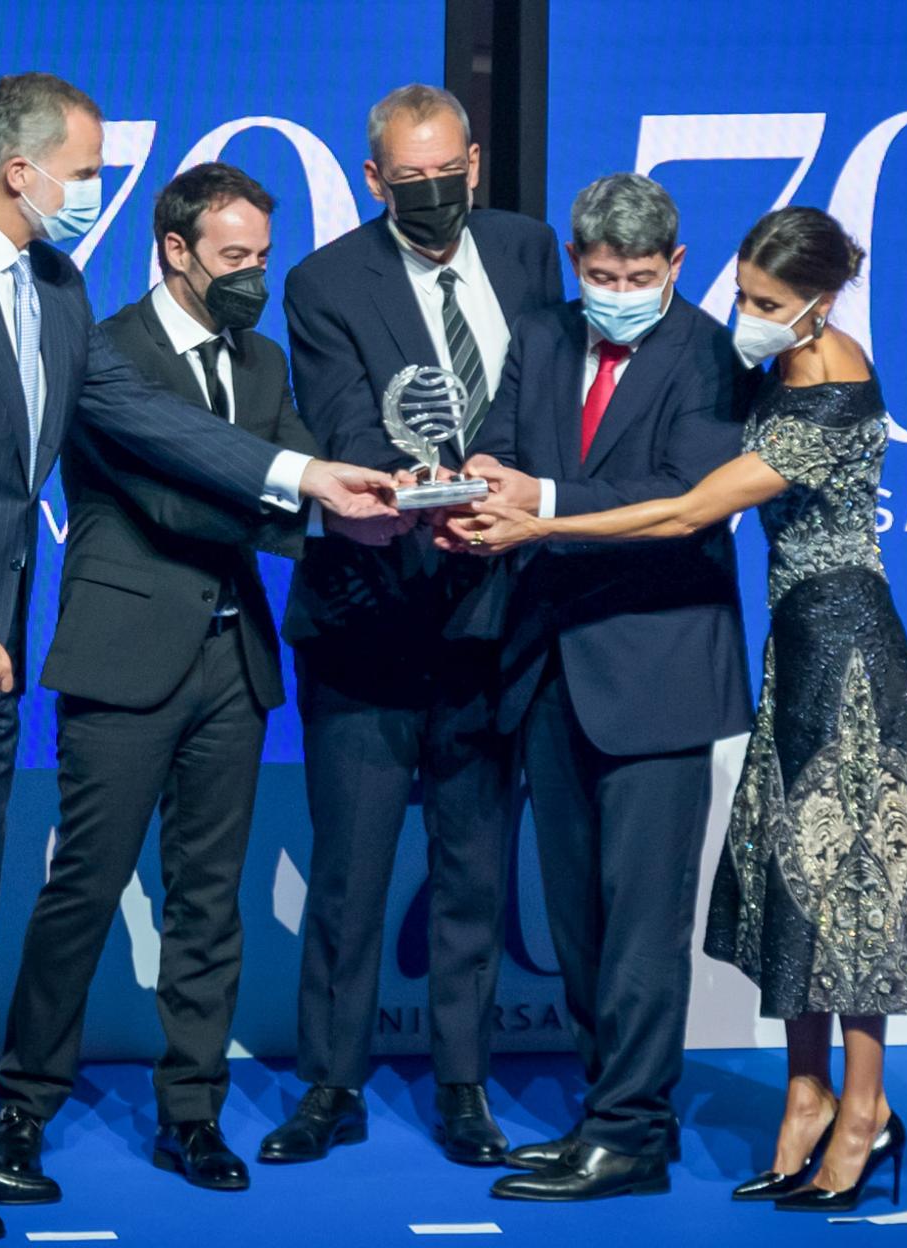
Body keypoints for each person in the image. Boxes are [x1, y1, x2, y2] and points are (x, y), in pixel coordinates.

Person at [0, 72, 393, 1240]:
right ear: (18, 169)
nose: (97, 191)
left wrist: (303, 476)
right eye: (84, 171)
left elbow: (144, 415)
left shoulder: (54, 283)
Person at [450, 205, 907, 1212]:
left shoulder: (827, 388)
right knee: (793, 891)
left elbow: (686, 507)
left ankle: (851, 1111)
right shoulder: (765, 366)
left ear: (819, 300)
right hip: (786, 649)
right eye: (745, 294)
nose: (747, 316)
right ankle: (780, 1103)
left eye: (768, 304)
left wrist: (539, 510)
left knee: (848, 893)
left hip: (844, 655)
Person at [0, 162, 318, 1196]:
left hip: (233, 663)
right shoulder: (104, 351)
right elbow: (174, 501)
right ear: (176, 250)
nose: (255, 275)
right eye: (235, 257)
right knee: (83, 891)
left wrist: (353, 498)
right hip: (125, 661)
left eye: (263, 255)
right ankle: (22, 1108)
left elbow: (302, 466)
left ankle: (192, 1113)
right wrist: (306, 504)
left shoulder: (262, 361)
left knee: (209, 901)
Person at [259, 84, 563, 1168]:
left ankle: (465, 1089)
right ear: (376, 176)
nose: (432, 195)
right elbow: (343, 420)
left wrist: (514, 482)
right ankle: (329, 1086)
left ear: (474, 164)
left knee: (475, 870)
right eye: (410, 180)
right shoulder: (324, 280)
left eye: (449, 176)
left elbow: (548, 394)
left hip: (493, 620)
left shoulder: (530, 253)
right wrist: (419, 488)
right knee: (349, 872)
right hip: (370, 618)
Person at [441, 173, 756, 1202]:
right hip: (548, 664)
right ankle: (604, 1112)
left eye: (637, 275)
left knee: (640, 923)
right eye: (599, 273)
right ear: (576, 265)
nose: (615, 289)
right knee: (576, 919)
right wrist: (482, 482)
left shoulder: (708, 350)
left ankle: (632, 1133)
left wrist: (542, 500)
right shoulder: (541, 334)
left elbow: (683, 499)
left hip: (657, 671)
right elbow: (508, 444)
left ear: (674, 265)